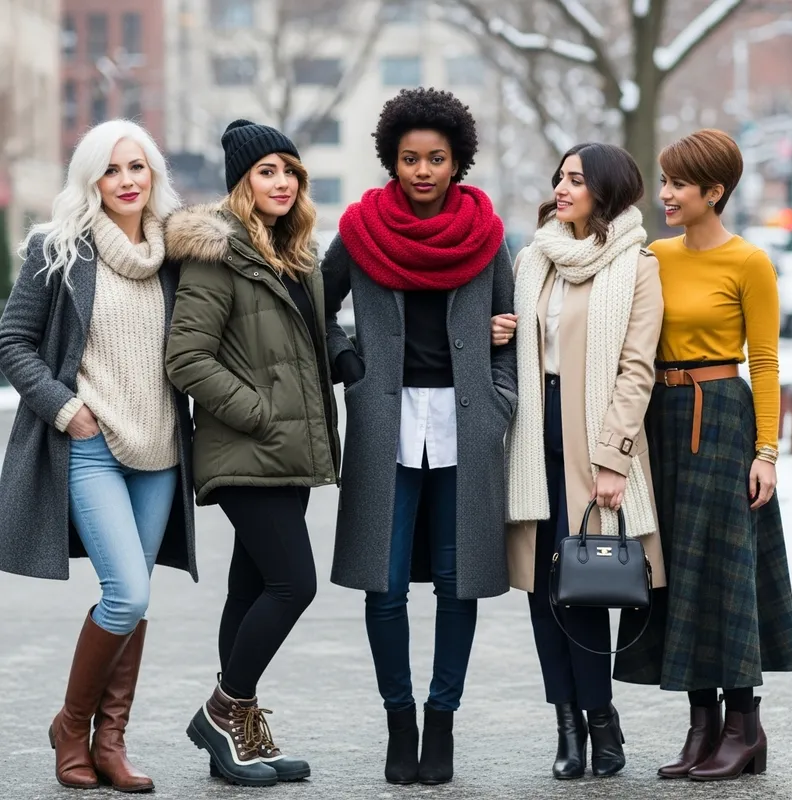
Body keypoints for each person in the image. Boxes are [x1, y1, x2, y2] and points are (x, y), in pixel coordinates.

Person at [322, 87, 517, 785]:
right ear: (392, 160)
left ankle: (443, 723)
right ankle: (398, 722)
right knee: (386, 583)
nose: (423, 170)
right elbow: (316, 306)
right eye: (410, 158)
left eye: (436, 158)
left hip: (466, 424)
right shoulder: (360, 230)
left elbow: (509, 327)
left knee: (458, 582)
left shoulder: (489, 236)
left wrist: (501, 398)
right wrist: (350, 366)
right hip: (388, 423)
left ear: (457, 160)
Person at [0, 120, 196, 793]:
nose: (127, 181)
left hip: (161, 452)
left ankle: (109, 743)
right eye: (112, 170)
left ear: (154, 174)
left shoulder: (175, 253)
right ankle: (71, 726)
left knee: (134, 604)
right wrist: (66, 409)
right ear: (92, 180)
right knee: (127, 593)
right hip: (92, 445)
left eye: (137, 167)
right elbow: (12, 343)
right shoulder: (57, 250)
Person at [612, 129, 792, 781]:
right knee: (677, 567)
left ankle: (745, 726)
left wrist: (767, 452)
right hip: (663, 420)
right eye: (663, 181)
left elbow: (767, 360)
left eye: (678, 184)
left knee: (723, 568)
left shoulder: (749, 262)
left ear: (714, 192)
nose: (664, 193)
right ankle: (703, 726)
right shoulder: (655, 257)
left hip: (722, 417)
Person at [165, 119, 339, 788]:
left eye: (289, 171)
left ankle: (242, 738)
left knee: (253, 587)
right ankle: (220, 713)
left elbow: (299, 339)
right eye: (267, 171)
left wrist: (340, 352)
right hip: (251, 448)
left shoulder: (292, 252)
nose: (282, 182)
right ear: (242, 182)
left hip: (286, 448)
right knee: (295, 583)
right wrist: (256, 413)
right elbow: (186, 356)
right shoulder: (221, 253)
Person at [492, 142, 666, 780]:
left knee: (583, 587)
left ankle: (601, 719)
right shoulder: (534, 258)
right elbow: (520, 344)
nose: (561, 190)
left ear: (607, 191)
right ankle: (566, 725)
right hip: (535, 435)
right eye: (559, 179)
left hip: (594, 439)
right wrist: (498, 334)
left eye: (576, 181)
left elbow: (636, 367)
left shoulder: (637, 265)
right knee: (543, 589)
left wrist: (614, 457)